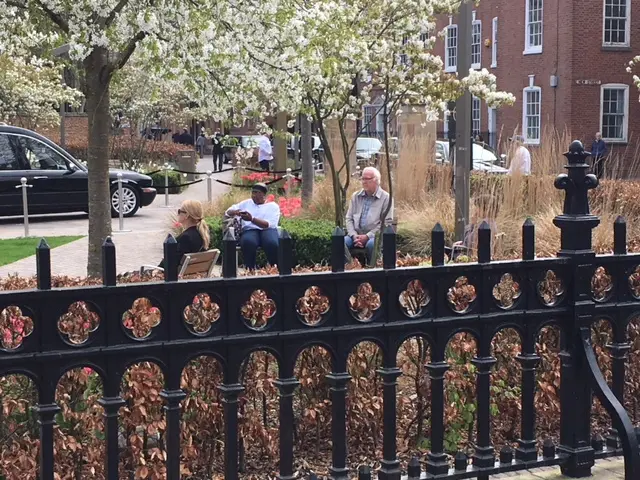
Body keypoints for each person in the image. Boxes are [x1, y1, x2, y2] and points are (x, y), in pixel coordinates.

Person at [225, 182, 280, 269]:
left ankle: (275, 268)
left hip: (267, 229)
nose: (255, 195)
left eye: (258, 193)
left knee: (271, 243)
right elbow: (228, 212)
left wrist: (252, 219)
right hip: (250, 230)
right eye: (253, 192)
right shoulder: (247, 203)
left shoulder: (273, 206)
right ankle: (250, 269)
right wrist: (236, 212)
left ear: (264, 195)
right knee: (248, 242)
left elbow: (268, 224)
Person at [344, 166, 393, 261]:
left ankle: (373, 271)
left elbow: (386, 224)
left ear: (376, 180)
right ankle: (348, 270)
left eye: (367, 179)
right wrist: (354, 235)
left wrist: (367, 236)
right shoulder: (356, 196)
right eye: (362, 178)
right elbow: (349, 218)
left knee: (372, 245)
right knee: (340, 243)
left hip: (375, 237)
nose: (364, 181)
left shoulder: (386, 198)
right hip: (355, 236)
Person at [159, 200, 211, 271]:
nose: (178, 214)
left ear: (186, 215)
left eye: (179, 211)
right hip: (194, 275)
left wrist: (156, 269)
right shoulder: (203, 235)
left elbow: (170, 263)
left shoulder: (185, 238)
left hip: (178, 279)